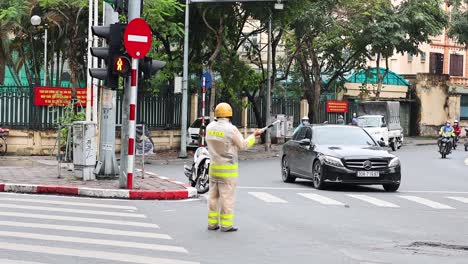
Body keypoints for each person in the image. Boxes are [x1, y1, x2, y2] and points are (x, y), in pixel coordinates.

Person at [205, 102, 263, 232]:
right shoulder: (231, 129)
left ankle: (212, 224)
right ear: (230, 115)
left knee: (213, 197)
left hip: (213, 168)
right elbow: (243, 145)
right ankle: (226, 225)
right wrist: (254, 135)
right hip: (227, 171)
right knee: (227, 198)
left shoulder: (209, 127)